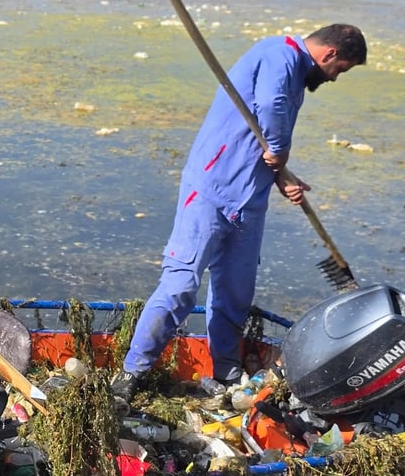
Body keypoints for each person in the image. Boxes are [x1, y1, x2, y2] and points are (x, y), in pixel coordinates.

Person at [112, 23, 367, 404]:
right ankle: (132, 372)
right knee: (181, 287)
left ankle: (226, 376)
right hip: (210, 192)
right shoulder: (279, 55)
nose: (334, 78)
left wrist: (281, 174)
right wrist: (279, 150)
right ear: (330, 54)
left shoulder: (296, 72)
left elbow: (260, 140)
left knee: (234, 295)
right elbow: (270, 107)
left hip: (250, 201)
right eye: (340, 70)